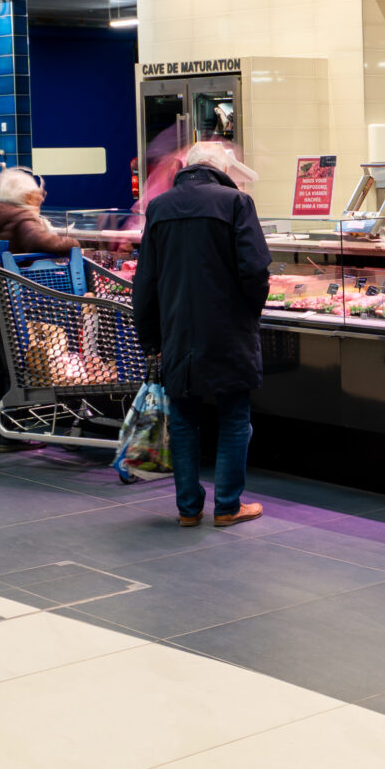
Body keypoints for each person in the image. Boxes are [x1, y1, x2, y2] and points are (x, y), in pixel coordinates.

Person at [132, 142, 271, 527]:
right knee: (234, 416)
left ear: (188, 167)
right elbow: (256, 269)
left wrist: (150, 338)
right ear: (221, 169)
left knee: (183, 418)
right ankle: (227, 506)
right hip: (228, 328)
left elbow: (145, 281)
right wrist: (249, 311)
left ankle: (188, 509)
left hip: (177, 328)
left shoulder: (159, 207)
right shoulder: (235, 202)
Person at [0, 166, 79, 417]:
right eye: (39, 194)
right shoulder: (21, 217)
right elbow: (43, 242)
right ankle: (11, 427)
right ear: (27, 196)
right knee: (15, 373)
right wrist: (72, 243)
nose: (41, 198)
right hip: (7, 306)